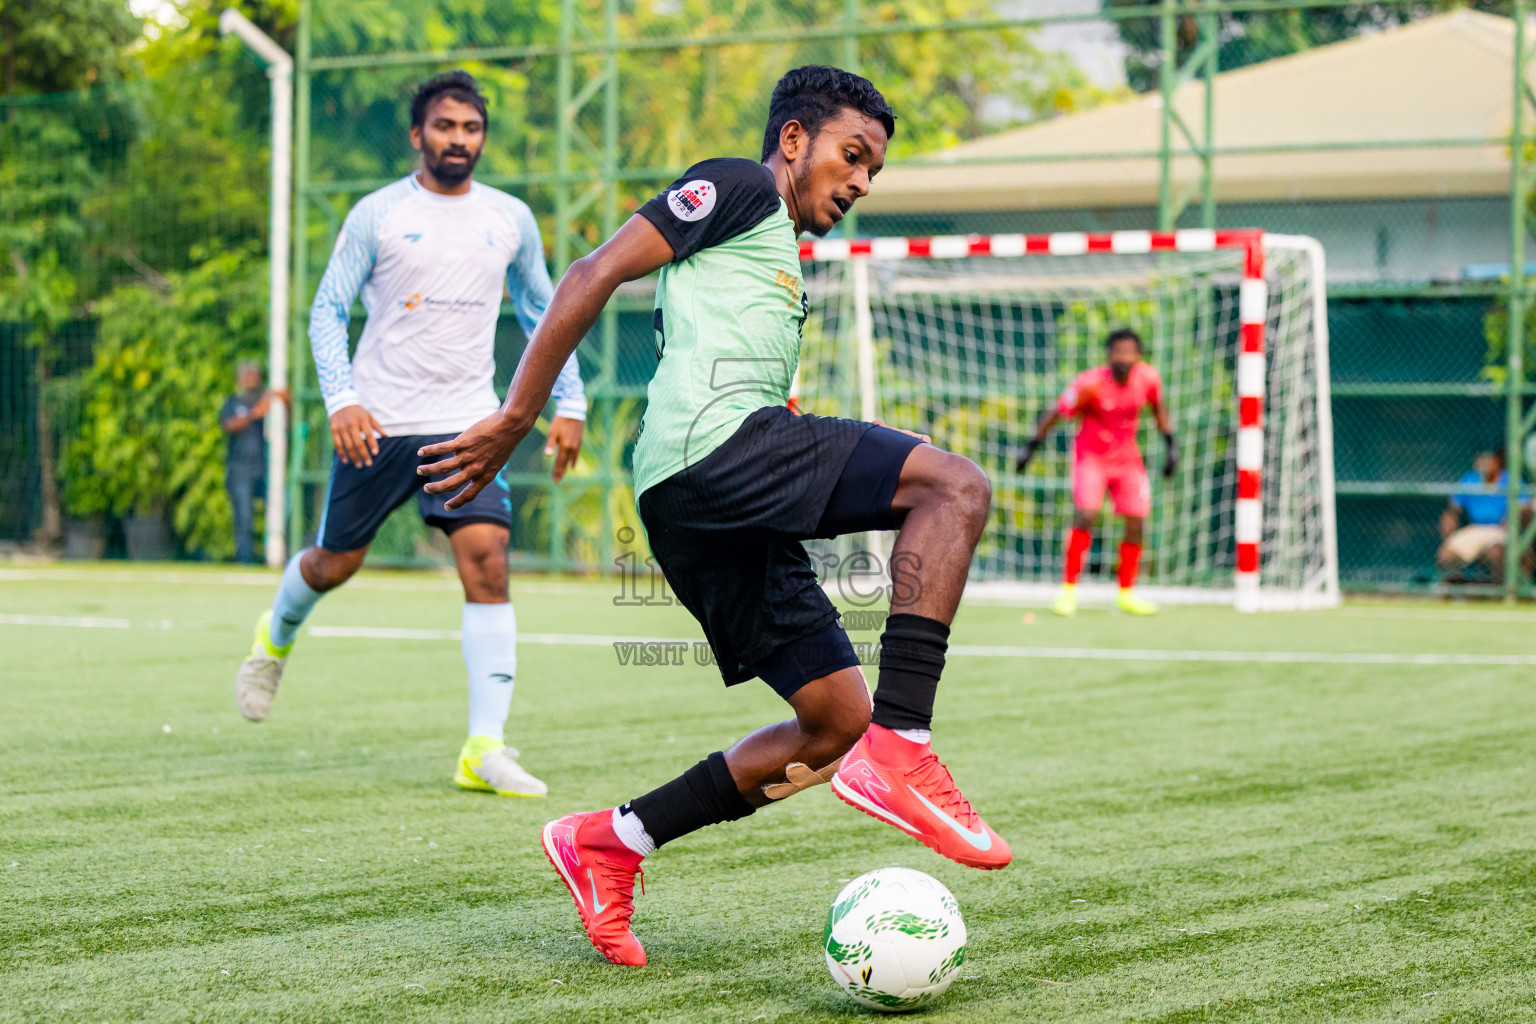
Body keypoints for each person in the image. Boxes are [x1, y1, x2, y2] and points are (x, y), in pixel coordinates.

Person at [414, 65, 1012, 967]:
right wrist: (516, 415)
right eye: (852, 157)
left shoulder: (777, 252)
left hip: (701, 497)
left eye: (872, 173)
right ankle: (908, 747)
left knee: (832, 720)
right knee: (955, 486)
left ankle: (612, 841)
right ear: (794, 140)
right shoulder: (737, 184)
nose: (857, 182)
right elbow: (592, 271)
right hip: (716, 456)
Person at [233, 71, 587, 800]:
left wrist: (570, 400)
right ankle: (274, 638)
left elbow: (545, 314)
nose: (458, 139)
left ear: (482, 137)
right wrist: (343, 401)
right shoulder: (379, 214)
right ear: (417, 134)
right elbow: (328, 311)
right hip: (380, 422)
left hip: (469, 423)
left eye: (471, 128)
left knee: (487, 561)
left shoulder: (511, 219)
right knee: (334, 563)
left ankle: (483, 748)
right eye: (445, 126)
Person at [1015, 328, 1176, 617]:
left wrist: (1171, 445)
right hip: (1091, 459)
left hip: (1128, 461)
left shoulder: (1148, 379)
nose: (1123, 358)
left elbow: (1158, 409)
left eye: (1129, 352)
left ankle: (1126, 593)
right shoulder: (1090, 385)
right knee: (1087, 515)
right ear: (1109, 355)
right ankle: (1068, 591)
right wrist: (1031, 446)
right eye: (1118, 352)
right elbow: (1056, 411)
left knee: (1137, 520)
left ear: (1138, 356)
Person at [219, 361, 283, 565]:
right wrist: (255, 413)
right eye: (248, 375)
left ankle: (281, 556)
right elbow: (229, 425)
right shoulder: (233, 402)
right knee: (244, 516)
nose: (252, 379)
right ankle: (246, 560)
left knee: (278, 510)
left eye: (255, 375)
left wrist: (284, 400)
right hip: (240, 469)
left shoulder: (266, 402)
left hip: (265, 467)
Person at [1437, 448, 1532, 583]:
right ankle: (1459, 590)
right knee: (1446, 555)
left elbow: (1524, 507)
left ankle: (1498, 593)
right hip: (1476, 528)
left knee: (1496, 552)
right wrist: (1449, 533)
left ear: (1497, 462)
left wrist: (1510, 522)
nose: (1483, 463)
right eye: (1480, 459)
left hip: (1500, 529)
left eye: (1488, 459)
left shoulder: (1511, 479)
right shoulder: (1470, 479)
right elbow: (1453, 509)